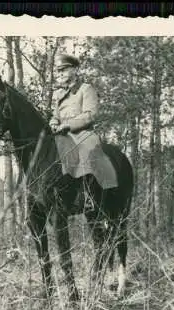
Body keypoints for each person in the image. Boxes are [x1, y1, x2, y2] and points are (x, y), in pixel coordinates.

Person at [49, 53, 112, 211]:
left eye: (64, 69)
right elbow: (55, 116)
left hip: (81, 133)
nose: (60, 73)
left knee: (86, 149)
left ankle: (89, 196)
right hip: (61, 136)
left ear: (75, 70)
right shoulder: (59, 95)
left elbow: (90, 114)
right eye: (58, 71)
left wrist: (68, 125)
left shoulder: (86, 89)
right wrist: (53, 123)